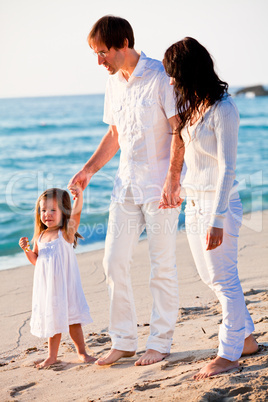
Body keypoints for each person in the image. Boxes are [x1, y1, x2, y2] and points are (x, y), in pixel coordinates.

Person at [68, 15, 185, 366]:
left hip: (161, 187)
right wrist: (88, 170)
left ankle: (160, 342)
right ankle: (124, 339)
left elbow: (178, 130)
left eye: (102, 52)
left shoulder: (161, 75)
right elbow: (116, 135)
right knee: (113, 261)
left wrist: (173, 179)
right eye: (95, 54)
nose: (99, 61)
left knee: (161, 265)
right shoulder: (113, 83)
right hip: (125, 185)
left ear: (123, 45)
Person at [162, 37, 258, 379]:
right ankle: (246, 339)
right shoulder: (192, 108)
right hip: (195, 204)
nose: (170, 81)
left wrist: (217, 220)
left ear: (188, 70)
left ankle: (228, 354)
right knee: (209, 277)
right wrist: (173, 185)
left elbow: (226, 169)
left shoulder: (224, 109)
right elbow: (190, 159)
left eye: (173, 74)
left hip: (220, 206)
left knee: (224, 279)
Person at [19, 186, 95, 368]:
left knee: (73, 320)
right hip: (49, 288)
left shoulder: (65, 234)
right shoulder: (41, 236)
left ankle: (82, 353)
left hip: (66, 286)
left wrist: (79, 196)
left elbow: (76, 215)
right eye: (43, 210)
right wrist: (26, 249)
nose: (48, 214)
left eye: (53, 210)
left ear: (64, 211)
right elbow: (36, 261)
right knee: (54, 320)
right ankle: (52, 356)